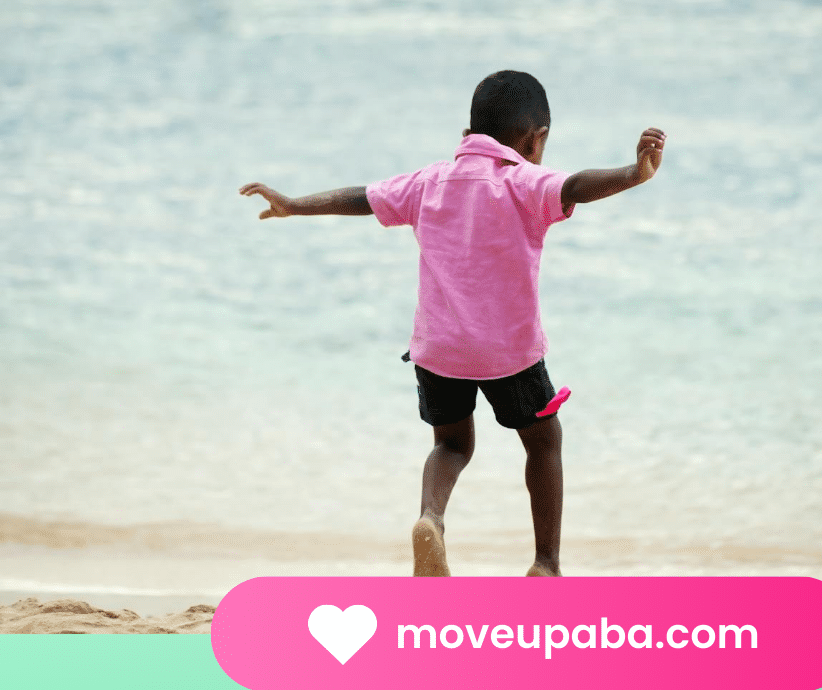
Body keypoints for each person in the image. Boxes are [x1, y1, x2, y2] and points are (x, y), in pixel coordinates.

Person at [238, 70, 665, 577]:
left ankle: (431, 519)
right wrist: (633, 173)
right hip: (510, 354)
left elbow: (361, 198)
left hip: (438, 352)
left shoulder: (429, 181)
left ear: (470, 133)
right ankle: (545, 564)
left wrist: (293, 205)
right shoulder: (524, 181)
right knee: (543, 441)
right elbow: (575, 186)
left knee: (451, 444)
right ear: (536, 139)